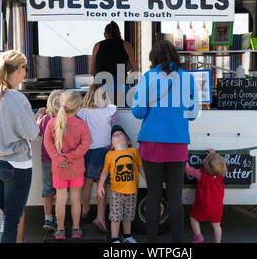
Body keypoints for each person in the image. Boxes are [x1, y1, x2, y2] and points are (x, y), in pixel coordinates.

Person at [131, 40, 199, 243]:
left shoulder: (147, 78)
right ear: (176, 56)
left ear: (153, 58)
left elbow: (138, 112)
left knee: (153, 195)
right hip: (177, 142)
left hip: (151, 142)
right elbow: (193, 113)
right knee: (175, 197)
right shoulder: (187, 79)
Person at [0, 50, 43, 243]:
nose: (25, 73)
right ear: (19, 70)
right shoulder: (17, 98)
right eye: (25, 68)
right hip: (16, 167)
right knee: (10, 221)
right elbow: (33, 133)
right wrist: (39, 117)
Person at [43, 91, 90, 240]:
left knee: (61, 199)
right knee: (76, 199)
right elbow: (85, 146)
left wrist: (58, 158)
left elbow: (47, 143)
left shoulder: (52, 122)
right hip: (76, 168)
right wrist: (70, 157)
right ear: (78, 108)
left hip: (59, 168)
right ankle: (76, 229)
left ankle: (61, 230)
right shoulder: (82, 124)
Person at [77, 85, 117, 233]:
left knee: (87, 182)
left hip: (88, 151)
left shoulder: (82, 112)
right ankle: (100, 217)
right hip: (104, 151)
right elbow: (116, 127)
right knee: (102, 185)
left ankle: (85, 209)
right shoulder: (110, 110)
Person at [97, 125, 145, 243]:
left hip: (132, 191)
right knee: (116, 216)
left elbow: (140, 168)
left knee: (128, 216)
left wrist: (148, 179)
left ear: (128, 141)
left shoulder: (133, 151)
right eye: (114, 135)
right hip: (116, 192)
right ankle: (114, 239)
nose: (117, 135)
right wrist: (100, 185)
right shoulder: (110, 155)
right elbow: (105, 171)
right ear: (112, 145)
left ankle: (127, 236)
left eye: (120, 133)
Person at [90, 21, 139, 105]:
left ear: (105, 34)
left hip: (101, 86)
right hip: (121, 84)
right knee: (123, 114)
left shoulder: (97, 46)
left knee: (102, 113)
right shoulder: (126, 45)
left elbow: (91, 71)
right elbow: (135, 69)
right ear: (119, 33)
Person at [185, 149, 227, 243]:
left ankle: (198, 236)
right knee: (216, 226)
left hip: (203, 205)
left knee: (193, 218)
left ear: (206, 166)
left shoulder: (200, 174)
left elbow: (188, 170)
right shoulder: (220, 175)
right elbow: (217, 164)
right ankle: (217, 241)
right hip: (217, 206)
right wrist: (213, 154)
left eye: (206, 159)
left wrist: (184, 160)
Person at [38, 89, 63, 231]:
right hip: (61, 160)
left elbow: (37, 131)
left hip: (47, 160)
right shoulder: (65, 118)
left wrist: (40, 115)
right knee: (60, 191)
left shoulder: (46, 119)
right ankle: (61, 220)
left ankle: (48, 218)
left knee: (47, 190)